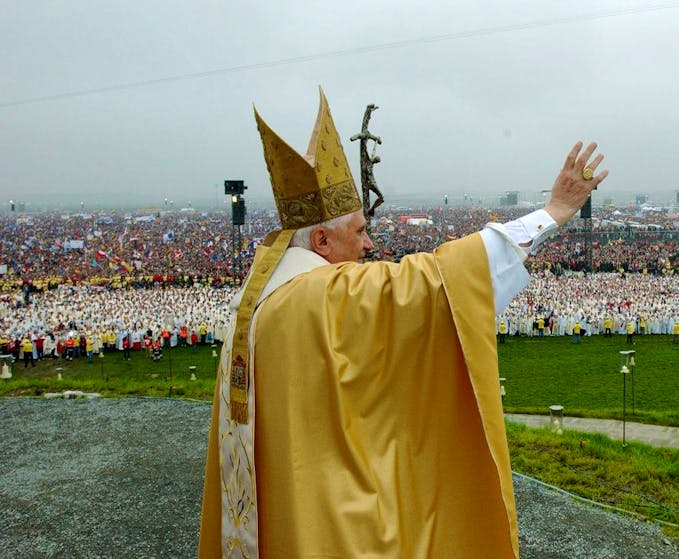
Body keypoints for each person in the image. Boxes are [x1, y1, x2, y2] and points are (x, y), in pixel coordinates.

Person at [198, 88, 609, 559]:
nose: (369, 244)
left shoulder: (261, 295)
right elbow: (439, 286)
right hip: (327, 523)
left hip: (284, 512)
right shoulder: (322, 297)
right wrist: (552, 213)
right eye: (359, 231)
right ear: (321, 240)